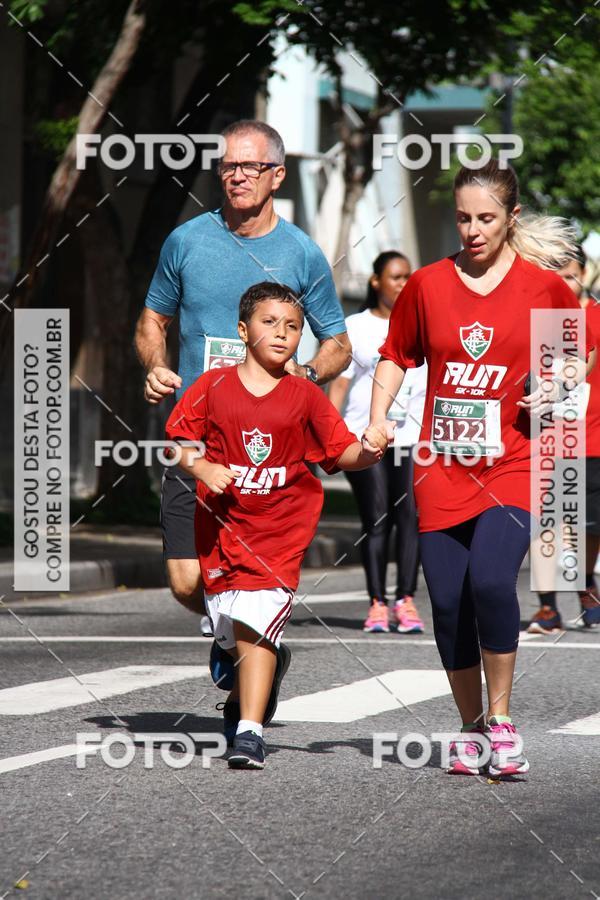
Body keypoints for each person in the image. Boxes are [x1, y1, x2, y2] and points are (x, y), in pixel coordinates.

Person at [369, 159, 595, 777]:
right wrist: (378, 417)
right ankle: (469, 728)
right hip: (441, 465)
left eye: (486, 219)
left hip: (513, 462)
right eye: (464, 218)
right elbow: (395, 356)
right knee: (447, 602)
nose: (472, 230)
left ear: (510, 218)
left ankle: (501, 719)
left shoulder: (543, 288)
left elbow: (576, 357)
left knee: (493, 582)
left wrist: (557, 383)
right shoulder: (427, 285)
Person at [135, 119, 351, 632]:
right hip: (198, 439)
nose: (237, 176)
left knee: (254, 577)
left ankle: (250, 650)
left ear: (277, 174)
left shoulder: (301, 253)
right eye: (228, 166)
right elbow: (152, 320)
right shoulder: (186, 241)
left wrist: (306, 371)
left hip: (269, 447)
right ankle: (236, 636)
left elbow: (339, 345)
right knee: (186, 580)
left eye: (251, 166)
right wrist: (156, 365)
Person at [165, 282, 386, 768]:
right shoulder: (213, 386)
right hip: (222, 530)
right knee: (230, 626)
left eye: (293, 327)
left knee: (256, 624)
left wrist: (368, 451)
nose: (283, 333)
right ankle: (251, 667)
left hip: (280, 532)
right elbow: (178, 442)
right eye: (270, 323)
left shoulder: (305, 395)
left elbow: (340, 451)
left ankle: (250, 733)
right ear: (243, 331)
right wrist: (202, 467)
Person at [329, 251, 427, 634]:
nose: (403, 284)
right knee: (378, 515)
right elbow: (339, 386)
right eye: (395, 277)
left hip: (412, 437)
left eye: (407, 277)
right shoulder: (356, 327)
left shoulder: (421, 323)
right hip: (364, 435)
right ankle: (376, 604)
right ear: (376, 282)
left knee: (410, 517)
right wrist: (329, 434)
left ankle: (405, 600)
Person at [527, 246, 600, 633]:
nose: (564, 283)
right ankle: (547, 607)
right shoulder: (538, 318)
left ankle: (585, 584)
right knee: (544, 521)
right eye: (556, 275)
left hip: (594, 438)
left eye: (570, 275)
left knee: (590, 525)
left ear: (584, 275)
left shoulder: (596, 317)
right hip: (545, 437)